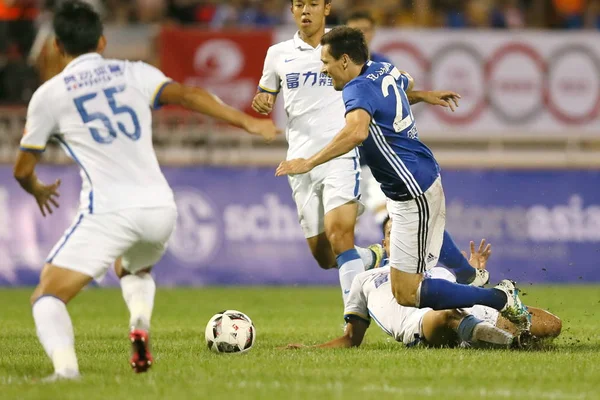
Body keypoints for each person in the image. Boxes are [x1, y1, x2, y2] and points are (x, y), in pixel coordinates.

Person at [13, 0, 279, 381]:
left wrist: (37, 188)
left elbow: (23, 169)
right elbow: (187, 95)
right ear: (102, 42)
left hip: (109, 210)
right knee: (132, 266)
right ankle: (139, 323)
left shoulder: (49, 95)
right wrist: (248, 124)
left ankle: (66, 372)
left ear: (57, 46)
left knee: (47, 296)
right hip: (159, 208)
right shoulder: (134, 72)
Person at [275, 26, 530, 325]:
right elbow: (402, 84)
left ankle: (500, 298)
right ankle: (471, 279)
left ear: (344, 61)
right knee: (415, 270)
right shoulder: (382, 69)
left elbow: (355, 132)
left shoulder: (356, 88)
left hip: (412, 190)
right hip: (419, 176)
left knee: (408, 293)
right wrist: (424, 95)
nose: (323, 69)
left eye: (326, 61)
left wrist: (309, 162)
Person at [253, 0, 456, 304]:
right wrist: (263, 101)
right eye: (298, 5)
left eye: (313, 4)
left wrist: (422, 95)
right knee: (323, 254)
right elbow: (265, 94)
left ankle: (353, 319)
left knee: (340, 235)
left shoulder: (342, 46)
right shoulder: (277, 54)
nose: (305, 10)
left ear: (327, 8)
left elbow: (381, 89)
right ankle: (374, 255)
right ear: (292, 11)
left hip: (341, 155)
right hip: (299, 159)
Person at [285, 218, 562, 350]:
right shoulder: (365, 279)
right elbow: (351, 339)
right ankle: (508, 344)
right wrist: (310, 349)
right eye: (394, 234)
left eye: (407, 234)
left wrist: (477, 272)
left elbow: (463, 290)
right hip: (425, 323)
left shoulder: (434, 266)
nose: (402, 239)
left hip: (474, 310)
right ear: (385, 243)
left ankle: (490, 334)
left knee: (551, 324)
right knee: (447, 313)